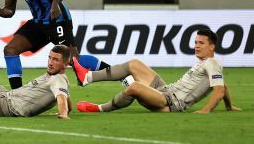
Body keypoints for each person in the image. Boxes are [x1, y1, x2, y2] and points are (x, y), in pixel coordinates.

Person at [74, 29, 241, 114]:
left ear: (212, 46)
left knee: (135, 87)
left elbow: (219, 90)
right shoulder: (205, 63)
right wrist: (229, 107)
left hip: (169, 103)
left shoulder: (212, 63)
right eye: (196, 42)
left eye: (201, 43)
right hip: (166, 91)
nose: (196, 46)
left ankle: (100, 108)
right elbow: (222, 86)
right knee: (134, 64)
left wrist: (206, 111)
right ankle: (87, 77)